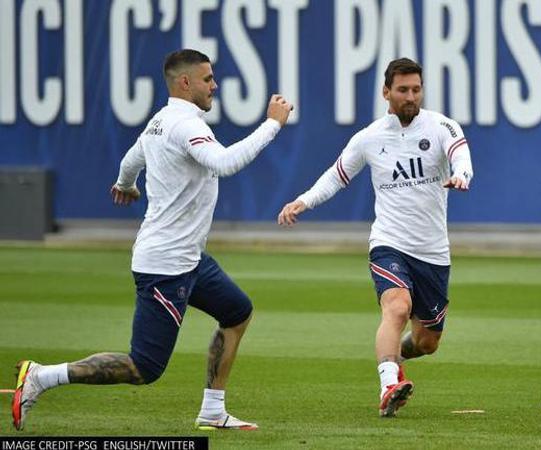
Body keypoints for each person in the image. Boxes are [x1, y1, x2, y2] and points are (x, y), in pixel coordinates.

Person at [12, 49, 293, 431]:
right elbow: (225, 164)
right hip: (166, 266)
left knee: (237, 312)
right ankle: (42, 376)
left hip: (189, 258)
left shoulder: (160, 122)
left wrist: (126, 185)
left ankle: (212, 410)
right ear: (185, 82)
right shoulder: (182, 125)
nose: (215, 85)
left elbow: (131, 159)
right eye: (208, 79)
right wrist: (272, 125)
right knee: (144, 367)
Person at [277, 57, 473, 417]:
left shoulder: (442, 126)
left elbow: (461, 156)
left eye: (416, 89)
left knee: (428, 342)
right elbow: (336, 176)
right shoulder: (369, 138)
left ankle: (393, 352)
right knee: (396, 306)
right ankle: (389, 383)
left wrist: (461, 175)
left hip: (432, 252)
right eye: (403, 90)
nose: (411, 96)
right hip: (389, 242)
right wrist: (302, 201)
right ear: (386, 92)